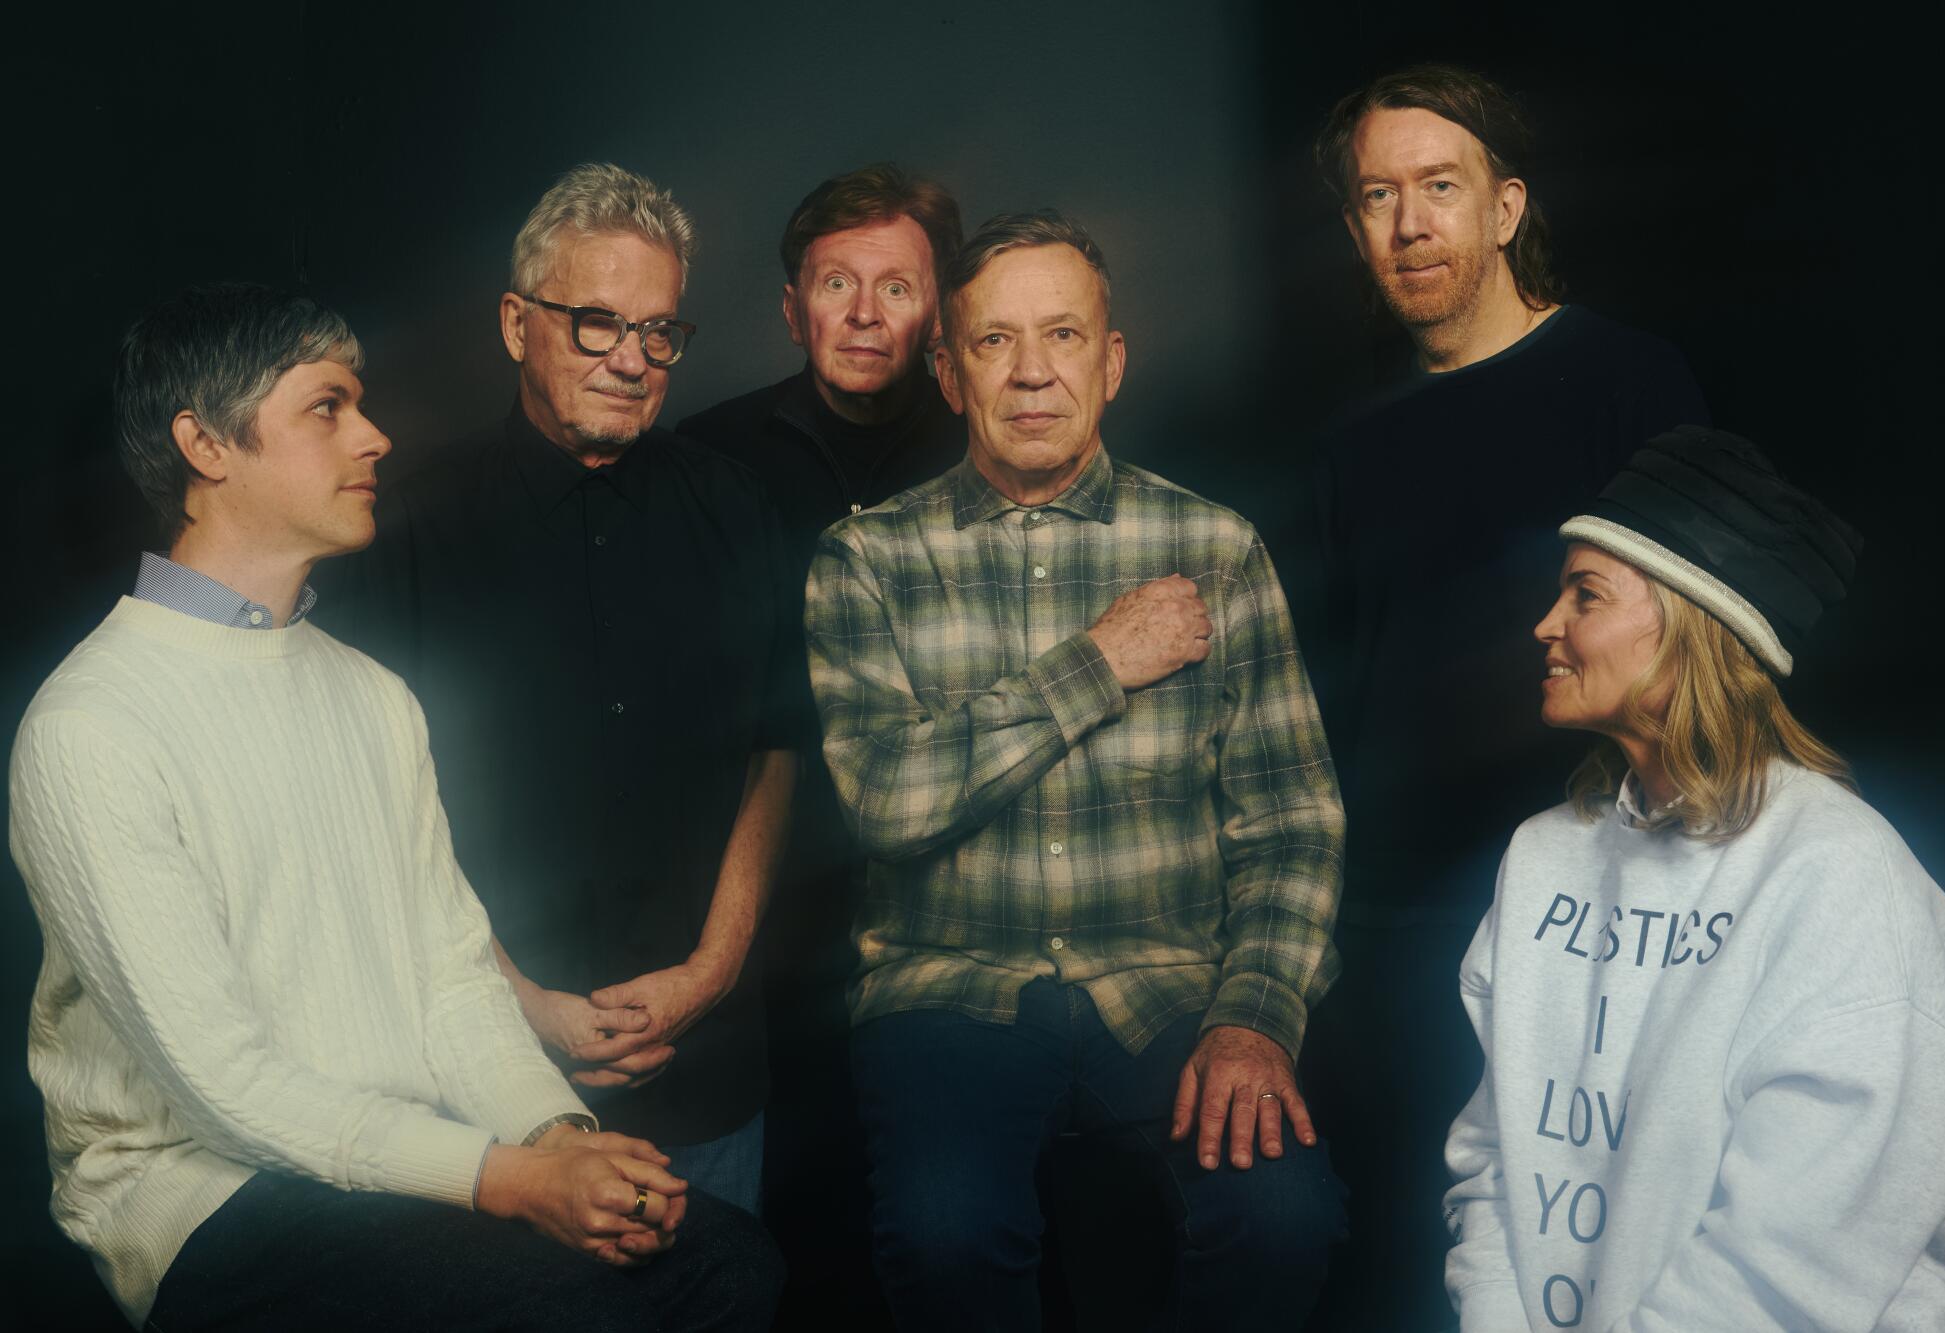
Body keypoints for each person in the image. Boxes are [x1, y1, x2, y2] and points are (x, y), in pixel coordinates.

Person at [8, 281, 781, 1330]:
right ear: (207, 445)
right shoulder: (92, 725)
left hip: (407, 1158)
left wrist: (557, 1137)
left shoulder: (372, 697)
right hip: (209, 1197)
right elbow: (226, 1087)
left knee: (728, 1257)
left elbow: (454, 980)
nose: (374, 436)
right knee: (597, 1312)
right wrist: (513, 1179)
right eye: (327, 406)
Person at [805, 209, 1347, 1329]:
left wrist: (1252, 1015)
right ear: (949, 375)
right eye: (995, 342)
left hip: (1172, 987)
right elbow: (890, 806)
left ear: (1110, 360)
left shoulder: (1218, 550)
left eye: (1062, 335)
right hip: (948, 988)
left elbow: (1290, 821)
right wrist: (1102, 660)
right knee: (943, 1236)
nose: (1033, 372)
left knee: (1288, 1218)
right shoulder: (865, 561)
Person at [1305, 64, 1712, 1322]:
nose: (1408, 223)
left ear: (1505, 207)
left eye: (1439, 187)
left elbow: (1696, 661)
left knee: (1595, 1259)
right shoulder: (1350, 438)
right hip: (1395, 933)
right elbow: (1334, 699)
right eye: (1377, 195)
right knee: (1403, 1265)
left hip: (1597, 911)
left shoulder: (1629, 386)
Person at [316, 163, 802, 1217]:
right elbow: (369, 807)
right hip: (483, 1077)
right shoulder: (400, 531)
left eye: (657, 331)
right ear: (514, 323)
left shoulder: (735, 504)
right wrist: (521, 1003)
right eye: (594, 323)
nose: (631, 359)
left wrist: (713, 970)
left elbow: (781, 744)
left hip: (708, 1062)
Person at [1443, 426, 1945, 1331]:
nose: (1546, 623)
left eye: (1585, 594)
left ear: (1694, 627)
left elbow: (1795, 1256)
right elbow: (1496, 1165)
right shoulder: (1541, 858)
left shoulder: (1836, 869)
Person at [676, 167, 968, 1305]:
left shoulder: (986, 439)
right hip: (767, 880)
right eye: (833, 283)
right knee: (792, 1207)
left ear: (938, 306)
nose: (860, 313)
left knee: (937, 1195)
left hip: (950, 866)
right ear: (789, 306)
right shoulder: (707, 459)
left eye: (893, 286)